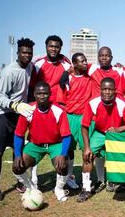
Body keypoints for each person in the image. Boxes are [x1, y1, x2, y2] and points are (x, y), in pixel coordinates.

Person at [0, 37, 36, 201]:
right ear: (18, 53)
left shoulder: (30, 67)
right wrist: (15, 105)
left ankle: (20, 182)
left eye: (29, 52)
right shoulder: (9, 71)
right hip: (1, 116)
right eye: (24, 52)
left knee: (18, 150)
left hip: (18, 115)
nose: (27, 55)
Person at [77, 77, 125, 202]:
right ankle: (86, 188)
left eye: (110, 89)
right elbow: (84, 126)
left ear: (115, 90)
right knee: (88, 155)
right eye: (104, 89)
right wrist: (86, 147)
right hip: (100, 132)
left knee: (124, 158)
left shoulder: (122, 103)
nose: (107, 92)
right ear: (100, 90)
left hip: (117, 133)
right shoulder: (93, 103)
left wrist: (118, 129)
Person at [12, 81, 72, 202]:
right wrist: (18, 155)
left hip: (55, 144)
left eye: (45, 93)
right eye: (39, 93)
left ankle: (59, 189)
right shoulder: (28, 110)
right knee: (17, 167)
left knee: (63, 166)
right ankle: (31, 188)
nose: (42, 96)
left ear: (50, 94)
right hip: (35, 145)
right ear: (34, 94)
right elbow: (19, 135)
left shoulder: (58, 111)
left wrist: (63, 154)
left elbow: (66, 136)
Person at [32, 35, 71, 186]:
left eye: (56, 46)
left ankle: (66, 179)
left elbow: (80, 69)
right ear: (46, 46)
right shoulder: (38, 64)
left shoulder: (66, 63)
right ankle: (34, 177)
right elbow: (32, 86)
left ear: (60, 48)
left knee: (66, 142)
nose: (53, 49)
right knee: (36, 140)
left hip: (60, 108)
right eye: (51, 46)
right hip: (41, 108)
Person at [56, 53, 92, 190]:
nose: (85, 63)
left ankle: (86, 182)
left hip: (85, 118)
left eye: (85, 60)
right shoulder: (66, 80)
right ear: (74, 64)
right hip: (69, 117)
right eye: (82, 61)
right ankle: (69, 177)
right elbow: (61, 102)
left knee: (87, 150)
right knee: (68, 149)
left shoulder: (90, 77)